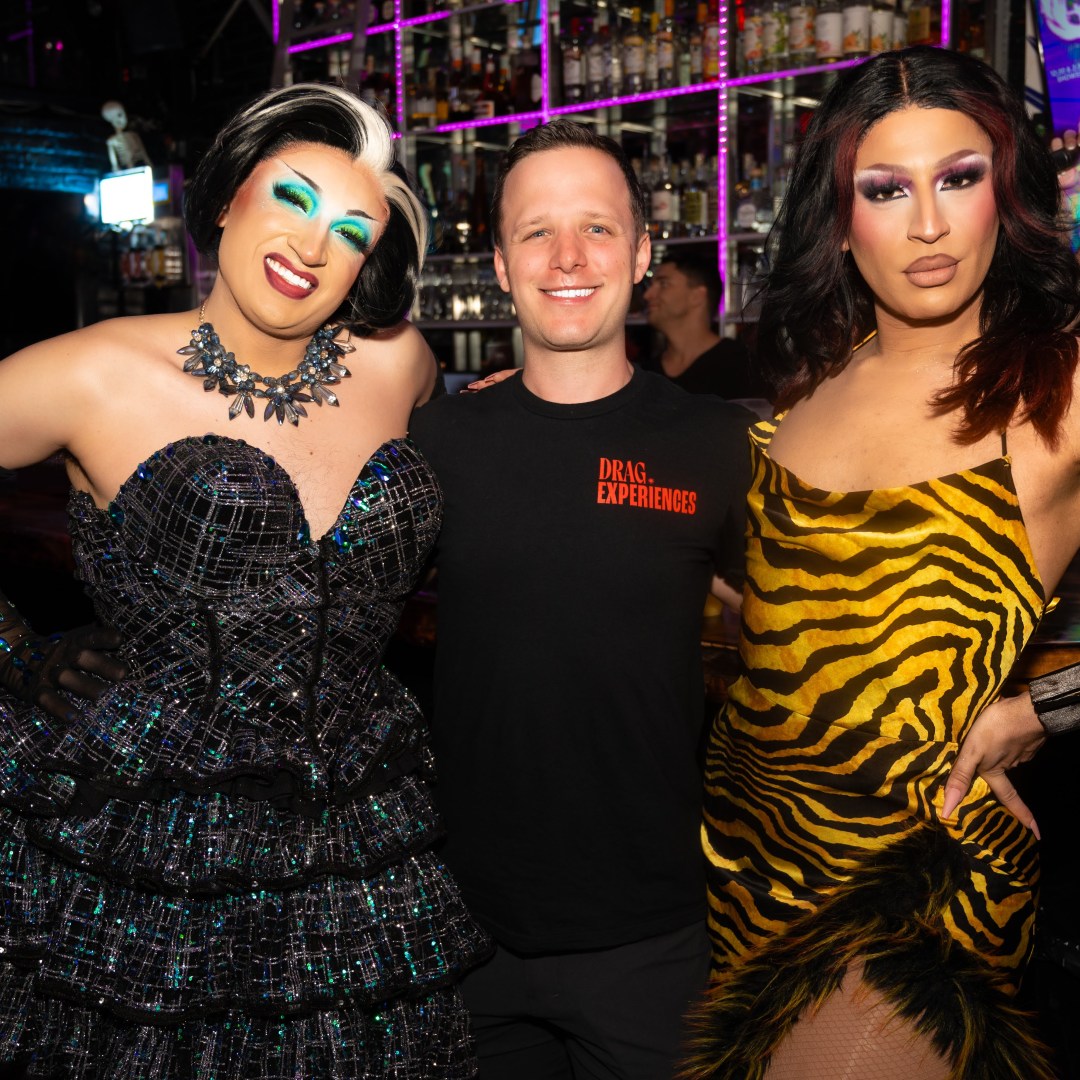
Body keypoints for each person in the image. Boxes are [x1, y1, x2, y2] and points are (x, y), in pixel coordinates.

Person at [0, 83, 488, 1078]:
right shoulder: (95, 373)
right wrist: (13, 653)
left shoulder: (401, 365)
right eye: (294, 199)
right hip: (151, 844)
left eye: (352, 229)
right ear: (227, 198)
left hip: (359, 832)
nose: (313, 247)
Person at [683, 46, 1080, 1079]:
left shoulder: (1061, 381)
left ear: (1007, 192)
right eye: (886, 189)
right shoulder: (806, 383)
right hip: (747, 851)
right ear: (840, 216)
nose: (930, 223)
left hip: (920, 880)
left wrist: (1043, 709)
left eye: (960, 176)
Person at [408, 119, 752, 1079]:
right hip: (467, 930)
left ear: (643, 252)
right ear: (500, 263)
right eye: (537, 232)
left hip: (651, 933)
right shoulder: (436, 443)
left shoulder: (716, 444)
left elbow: (806, 624)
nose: (568, 257)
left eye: (598, 229)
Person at [640, 254, 769, 405]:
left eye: (663, 284)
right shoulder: (644, 373)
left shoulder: (742, 367)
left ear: (697, 296)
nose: (647, 295)